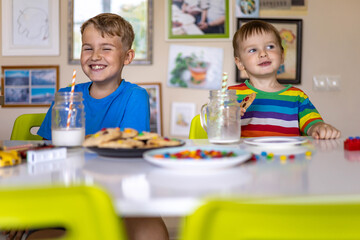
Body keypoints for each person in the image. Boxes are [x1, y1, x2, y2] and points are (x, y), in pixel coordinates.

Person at [3, 13, 168, 240]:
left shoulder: (135, 97)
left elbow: (131, 155)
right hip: (63, 194)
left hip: (118, 196)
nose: (95, 56)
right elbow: (42, 158)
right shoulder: (65, 97)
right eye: (88, 48)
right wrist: (25, 204)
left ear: (127, 56)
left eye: (106, 48)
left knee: (152, 232)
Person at [229, 20, 340, 139]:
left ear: (282, 56)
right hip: (248, 157)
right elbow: (213, 124)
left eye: (270, 47)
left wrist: (320, 127)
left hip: (288, 157)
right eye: (253, 50)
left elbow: (313, 124)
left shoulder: (297, 96)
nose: (263, 54)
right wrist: (225, 116)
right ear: (239, 63)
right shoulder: (230, 95)